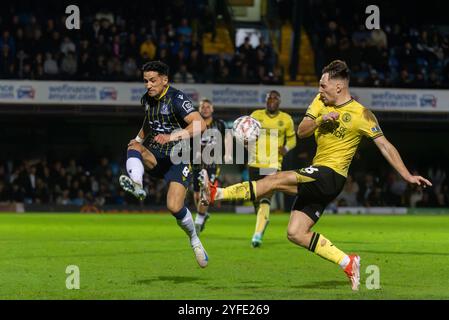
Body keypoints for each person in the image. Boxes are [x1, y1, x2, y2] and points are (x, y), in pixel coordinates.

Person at [199, 60, 432, 290]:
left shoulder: (362, 114)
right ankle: (347, 262)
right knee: (295, 232)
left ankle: (215, 193)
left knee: (273, 180)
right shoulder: (320, 102)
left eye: (324, 86)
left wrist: (408, 175)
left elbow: (385, 146)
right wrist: (321, 119)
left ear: (338, 87)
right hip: (318, 173)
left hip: (331, 174)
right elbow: (302, 132)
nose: (320, 90)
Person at [119, 61, 209, 268]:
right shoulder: (147, 100)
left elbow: (200, 124)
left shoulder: (177, 99)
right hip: (158, 155)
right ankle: (138, 186)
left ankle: (195, 240)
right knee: (134, 146)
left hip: (179, 158)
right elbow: (148, 122)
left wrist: (171, 136)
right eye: (145, 81)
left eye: (152, 80)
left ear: (165, 80)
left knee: (174, 206)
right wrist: (139, 140)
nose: (148, 85)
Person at [245, 90, 296, 247]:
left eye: (275, 98)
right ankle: (262, 221)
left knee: (266, 197)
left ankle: (257, 235)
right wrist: (245, 140)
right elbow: (246, 132)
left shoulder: (286, 119)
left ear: (279, 101)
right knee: (256, 199)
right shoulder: (256, 115)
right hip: (254, 162)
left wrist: (286, 149)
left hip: (272, 163)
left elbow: (293, 139)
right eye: (269, 98)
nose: (272, 100)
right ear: (265, 100)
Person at [192, 98, 232, 234]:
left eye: (208, 107)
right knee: (197, 195)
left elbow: (228, 137)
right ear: (199, 109)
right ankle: (203, 214)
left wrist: (227, 153)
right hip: (196, 162)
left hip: (213, 163)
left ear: (212, 109)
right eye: (203, 107)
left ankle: (198, 221)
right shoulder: (194, 124)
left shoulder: (219, 124)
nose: (205, 109)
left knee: (206, 189)